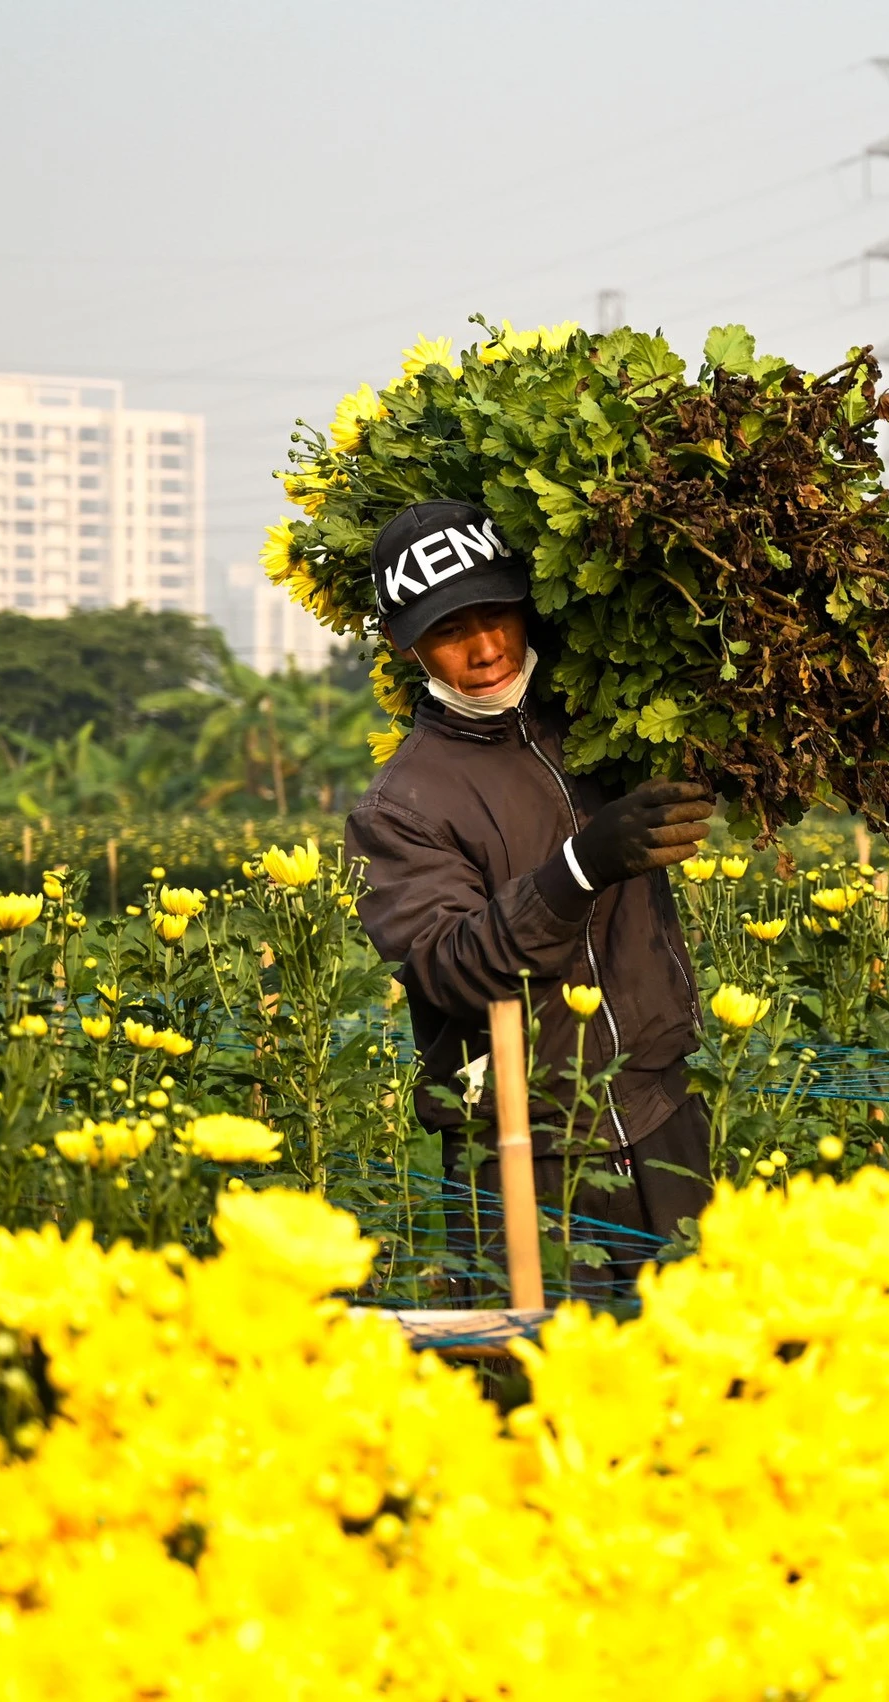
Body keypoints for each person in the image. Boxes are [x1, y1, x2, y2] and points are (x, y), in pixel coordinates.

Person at [344, 499, 718, 1286]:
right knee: (540, 1390)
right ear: (403, 647)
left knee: (699, 1381)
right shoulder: (402, 806)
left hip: (662, 1120)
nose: (484, 649)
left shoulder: (604, 718)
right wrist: (578, 868)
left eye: (496, 614)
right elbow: (451, 968)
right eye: (449, 631)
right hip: (523, 1154)